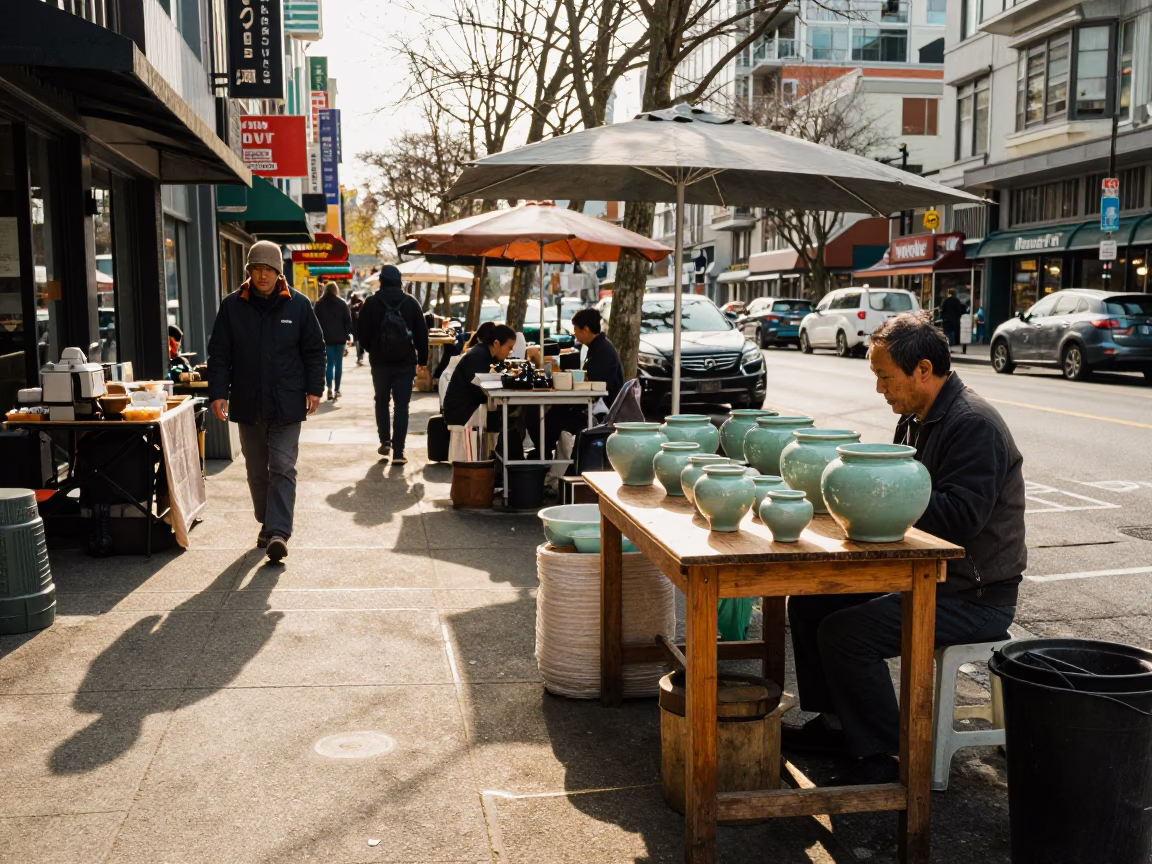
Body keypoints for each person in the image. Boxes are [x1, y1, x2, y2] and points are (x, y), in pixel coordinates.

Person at [784, 312, 1024, 785]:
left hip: (974, 596)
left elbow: (961, 517)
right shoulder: (917, 418)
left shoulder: (972, 424)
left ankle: (886, 755)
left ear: (923, 370)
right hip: (926, 576)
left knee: (845, 634)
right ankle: (837, 727)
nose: (880, 390)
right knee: (810, 604)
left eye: (884, 377)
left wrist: (878, 494)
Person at [207, 240, 325, 562]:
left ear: (278, 273)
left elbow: (314, 350)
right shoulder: (232, 306)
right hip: (248, 403)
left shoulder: (299, 306)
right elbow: (219, 353)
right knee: (258, 471)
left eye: (269, 270)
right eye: (257, 269)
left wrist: (314, 388)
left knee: (283, 466)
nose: (263, 275)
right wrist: (218, 393)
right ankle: (267, 522)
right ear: (248, 272)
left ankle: (278, 533)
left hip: (287, 403)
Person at [357, 265, 429, 465]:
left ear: (382, 280)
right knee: (402, 406)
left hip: (380, 364)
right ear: (399, 280)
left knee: (381, 401)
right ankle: (399, 452)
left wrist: (373, 349)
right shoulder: (411, 303)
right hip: (405, 363)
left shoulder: (371, 303)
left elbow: (360, 332)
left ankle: (385, 441)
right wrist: (422, 360)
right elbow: (422, 334)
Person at [531, 307, 624, 459]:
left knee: (553, 416)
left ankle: (543, 456)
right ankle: (543, 454)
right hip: (591, 404)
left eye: (575, 329)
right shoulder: (596, 347)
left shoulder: (603, 351)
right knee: (550, 412)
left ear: (586, 329)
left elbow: (595, 385)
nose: (574, 333)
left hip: (600, 411)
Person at [443, 323, 517, 428]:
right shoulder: (478, 356)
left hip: (468, 407)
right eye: (509, 347)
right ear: (496, 343)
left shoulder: (486, 354)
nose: (511, 351)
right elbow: (482, 389)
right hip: (461, 412)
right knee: (503, 420)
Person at [313, 282, 353, 400]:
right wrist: (346, 335)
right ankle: (337, 390)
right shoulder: (342, 303)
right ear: (336, 290)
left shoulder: (319, 304)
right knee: (338, 364)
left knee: (329, 364)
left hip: (325, 339)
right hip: (340, 339)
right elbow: (348, 321)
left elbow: (314, 322)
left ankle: (329, 388)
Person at [349, 293, 365, 365]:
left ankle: (360, 356)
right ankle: (359, 357)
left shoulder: (361, 305)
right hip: (357, 328)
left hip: (358, 327)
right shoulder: (352, 306)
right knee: (358, 343)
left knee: (359, 343)